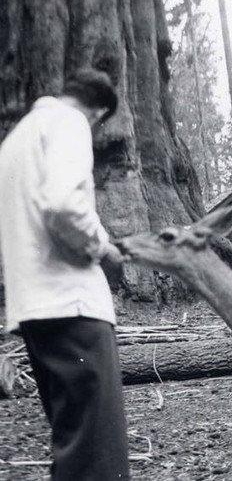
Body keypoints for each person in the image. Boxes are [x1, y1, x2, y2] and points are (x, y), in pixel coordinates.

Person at [0, 69, 130, 480]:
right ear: (97, 113)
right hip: (73, 305)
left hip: (34, 309)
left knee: (74, 446)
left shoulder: (16, 140)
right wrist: (103, 248)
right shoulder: (70, 122)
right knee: (98, 457)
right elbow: (62, 205)